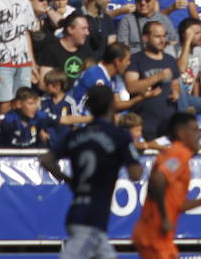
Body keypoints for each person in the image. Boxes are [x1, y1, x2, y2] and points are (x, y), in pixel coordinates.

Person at [39, 85, 144, 259]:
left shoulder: (77, 134)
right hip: (91, 218)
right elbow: (136, 174)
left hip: (80, 212)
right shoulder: (118, 136)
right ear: (112, 104)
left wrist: (68, 180)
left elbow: (46, 159)